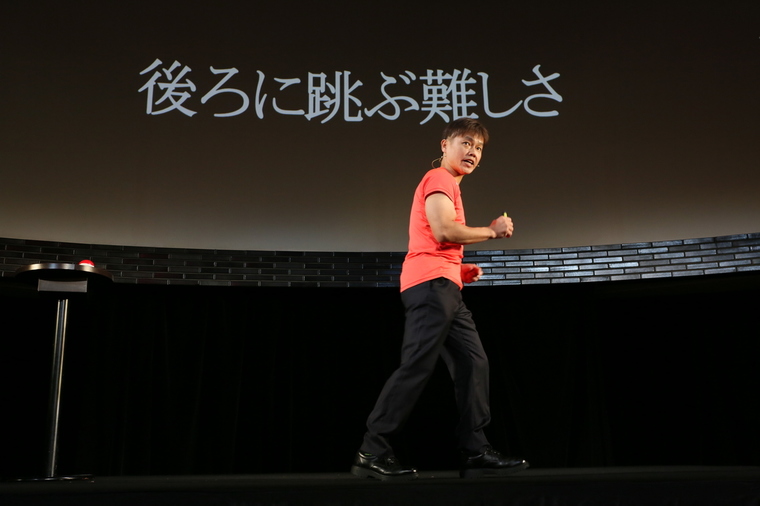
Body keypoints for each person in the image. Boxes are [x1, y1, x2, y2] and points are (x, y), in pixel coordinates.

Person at [350, 118, 528, 480]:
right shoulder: (439, 179)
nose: (472, 152)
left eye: (478, 147)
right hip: (430, 286)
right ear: (445, 145)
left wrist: (459, 270)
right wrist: (491, 231)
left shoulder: (450, 185)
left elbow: (433, 241)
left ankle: (475, 450)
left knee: (473, 362)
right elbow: (444, 230)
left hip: (444, 286)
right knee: (417, 365)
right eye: (466, 143)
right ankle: (372, 450)